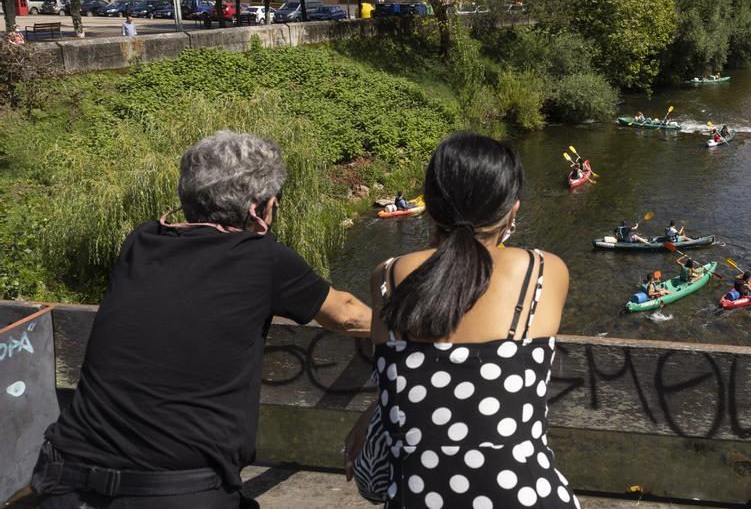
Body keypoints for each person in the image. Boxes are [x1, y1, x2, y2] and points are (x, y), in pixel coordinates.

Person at [31, 131, 372, 507]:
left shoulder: (140, 241)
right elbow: (348, 315)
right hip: (174, 491)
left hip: (64, 476)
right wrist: (430, 325)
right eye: (276, 203)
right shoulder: (262, 259)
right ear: (258, 209)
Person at [346, 133, 578, 508]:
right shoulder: (542, 272)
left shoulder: (387, 277)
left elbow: (412, 373)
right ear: (513, 209)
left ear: (431, 207)